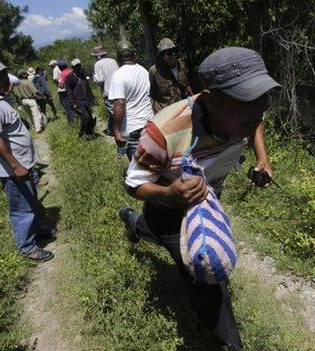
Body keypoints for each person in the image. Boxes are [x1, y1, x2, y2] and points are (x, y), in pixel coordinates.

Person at [119, 47, 281, 350]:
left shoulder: (248, 114)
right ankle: (232, 345)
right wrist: (170, 193)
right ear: (209, 100)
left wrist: (263, 157)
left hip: (206, 200)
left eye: (263, 99)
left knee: (152, 230)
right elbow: (134, 183)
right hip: (168, 205)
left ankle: (135, 224)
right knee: (208, 278)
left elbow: (257, 119)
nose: (259, 109)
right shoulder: (164, 131)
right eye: (248, 101)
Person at [0, 59, 54, 262]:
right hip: (12, 168)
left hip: (22, 164)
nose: (3, 79)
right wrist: (15, 165)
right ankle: (27, 247)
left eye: (3, 74)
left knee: (30, 200)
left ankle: (37, 231)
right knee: (22, 209)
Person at [108, 40, 154, 160]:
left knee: (138, 170)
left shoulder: (118, 75)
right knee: (154, 163)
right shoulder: (144, 71)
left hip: (133, 129)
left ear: (118, 58)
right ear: (134, 55)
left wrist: (116, 131)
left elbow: (119, 103)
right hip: (150, 123)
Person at [149, 38, 194, 113]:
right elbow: (152, 94)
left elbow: (187, 85)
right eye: (169, 52)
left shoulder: (181, 66)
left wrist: (194, 100)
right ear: (162, 56)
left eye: (175, 51)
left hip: (182, 109)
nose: (173, 54)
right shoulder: (154, 71)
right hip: (165, 112)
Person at [91, 45, 119, 136]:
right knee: (115, 111)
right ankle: (111, 129)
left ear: (98, 56)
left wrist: (94, 79)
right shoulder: (113, 61)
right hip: (119, 89)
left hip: (108, 92)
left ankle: (122, 132)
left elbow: (100, 80)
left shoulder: (98, 64)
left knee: (114, 112)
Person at [66, 58, 96, 137]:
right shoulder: (69, 78)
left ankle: (90, 133)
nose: (78, 67)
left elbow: (88, 87)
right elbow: (69, 92)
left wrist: (92, 98)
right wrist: (73, 103)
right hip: (77, 102)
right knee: (85, 117)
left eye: (79, 65)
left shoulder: (83, 74)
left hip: (86, 100)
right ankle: (81, 134)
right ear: (73, 67)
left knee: (91, 118)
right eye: (76, 66)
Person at [57, 60, 76, 124]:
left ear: (59, 67)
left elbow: (61, 86)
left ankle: (72, 123)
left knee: (68, 108)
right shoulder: (72, 71)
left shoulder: (62, 74)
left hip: (67, 93)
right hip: (76, 92)